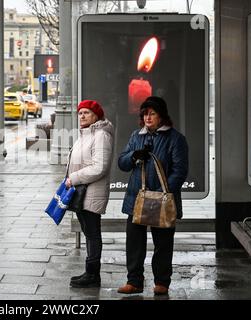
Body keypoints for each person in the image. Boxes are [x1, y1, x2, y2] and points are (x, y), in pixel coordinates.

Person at [117, 96, 188, 295]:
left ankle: (162, 282)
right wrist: (133, 156)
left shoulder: (175, 139)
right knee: (134, 242)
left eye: (152, 113)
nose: (148, 117)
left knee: (163, 243)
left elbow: (180, 171)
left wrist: (162, 193)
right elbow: (121, 163)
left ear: (162, 116)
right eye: (145, 113)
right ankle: (134, 281)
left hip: (161, 200)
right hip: (137, 199)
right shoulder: (136, 136)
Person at [66, 100, 114, 288]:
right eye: (80, 113)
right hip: (81, 192)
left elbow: (100, 167)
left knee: (93, 233)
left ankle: (93, 275)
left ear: (97, 116)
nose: (83, 116)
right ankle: (90, 273)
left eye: (87, 113)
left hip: (91, 192)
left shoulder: (101, 135)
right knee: (88, 232)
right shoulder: (84, 134)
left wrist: (74, 178)